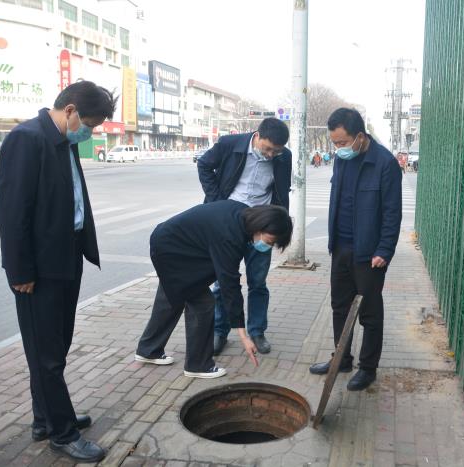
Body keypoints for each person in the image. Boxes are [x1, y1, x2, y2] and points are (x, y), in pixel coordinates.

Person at [0, 81, 116, 463]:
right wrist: (20, 271)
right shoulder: (26, 139)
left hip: (66, 258)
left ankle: (44, 418)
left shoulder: (63, 140)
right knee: (45, 354)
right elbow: (12, 212)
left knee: (55, 348)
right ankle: (62, 434)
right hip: (38, 270)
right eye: (90, 125)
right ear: (70, 111)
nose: (90, 132)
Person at [134, 118, 291, 364]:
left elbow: (282, 190)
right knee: (209, 292)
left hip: (261, 224)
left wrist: (276, 226)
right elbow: (204, 164)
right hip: (226, 227)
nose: (271, 155)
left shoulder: (283, 157)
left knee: (254, 283)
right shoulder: (230, 144)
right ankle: (211, 343)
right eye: (268, 148)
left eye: (277, 151)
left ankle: (255, 332)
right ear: (258, 135)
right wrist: (217, 201)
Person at [139, 202, 294, 378]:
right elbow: (229, 283)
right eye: (269, 241)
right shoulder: (229, 235)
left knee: (172, 295)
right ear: (260, 226)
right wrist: (243, 336)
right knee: (202, 303)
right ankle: (198, 365)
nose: (268, 246)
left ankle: (148, 350)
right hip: (171, 251)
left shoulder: (243, 216)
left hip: (173, 243)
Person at [309, 108, 402, 391]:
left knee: (370, 313)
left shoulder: (384, 163)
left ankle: (368, 368)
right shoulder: (341, 160)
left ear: (360, 136)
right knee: (339, 307)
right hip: (341, 247)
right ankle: (341, 359)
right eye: (334, 143)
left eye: (342, 142)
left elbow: (392, 212)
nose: (338, 148)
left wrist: (384, 250)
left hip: (369, 254)